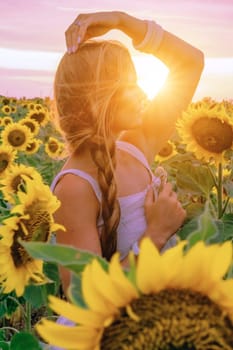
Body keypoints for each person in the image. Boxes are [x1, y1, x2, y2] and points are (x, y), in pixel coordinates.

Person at [50, 11, 204, 296]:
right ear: (100, 97)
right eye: (131, 84)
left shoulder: (135, 147)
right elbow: (84, 297)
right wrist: (155, 234)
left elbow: (191, 62)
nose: (142, 93)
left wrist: (122, 22)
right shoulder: (74, 187)